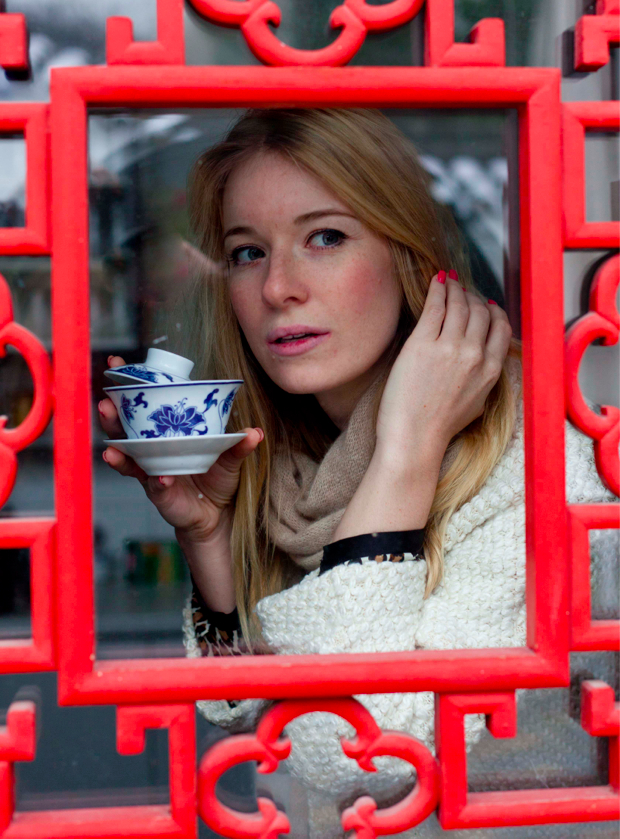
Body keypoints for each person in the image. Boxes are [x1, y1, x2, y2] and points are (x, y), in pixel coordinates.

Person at [99, 109, 614, 808]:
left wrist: (406, 451)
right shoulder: (293, 460)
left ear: (409, 254)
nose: (277, 287)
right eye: (248, 252)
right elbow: (252, 709)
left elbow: (358, 754)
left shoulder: (542, 469)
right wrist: (209, 538)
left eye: (326, 237)